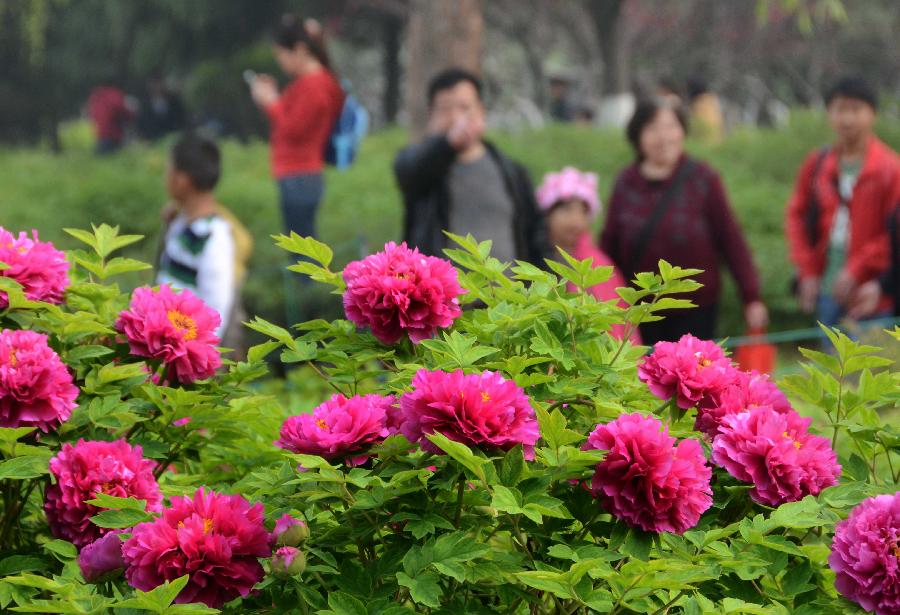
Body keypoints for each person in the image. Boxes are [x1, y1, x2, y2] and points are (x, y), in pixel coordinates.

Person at [600, 97, 767, 345]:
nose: (663, 136)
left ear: (682, 131)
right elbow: (608, 246)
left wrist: (751, 297)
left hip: (696, 310)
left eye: (671, 126)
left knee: (693, 379)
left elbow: (731, 239)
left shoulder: (703, 179)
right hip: (640, 312)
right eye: (653, 128)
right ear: (637, 135)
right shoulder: (625, 183)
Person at [394, 68, 549, 265]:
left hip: (508, 294)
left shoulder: (512, 172)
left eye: (464, 107)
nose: (456, 118)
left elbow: (536, 236)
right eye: (445, 109)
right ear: (431, 116)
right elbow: (409, 173)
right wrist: (447, 145)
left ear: (481, 111)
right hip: (444, 295)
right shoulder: (420, 166)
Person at [786, 76, 900, 328]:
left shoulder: (890, 169)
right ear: (829, 114)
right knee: (829, 362)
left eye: (855, 110)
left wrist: (858, 268)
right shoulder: (817, 164)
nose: (847, 119)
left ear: (872, 114)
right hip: (826, 288)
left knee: (871, 363)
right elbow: (796, 216)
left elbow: (891, 234)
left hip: (872, 292)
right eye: (840, 110)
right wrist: (807, 269)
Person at [250, 14, 345, 239]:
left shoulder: (316, 86)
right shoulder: (311, 83)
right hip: (299, 174)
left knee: (302, 249)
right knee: (302, 243)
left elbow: (294, 130)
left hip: (300, 174)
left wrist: (270, 102)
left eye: (282, 55)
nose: (281, 62)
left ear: (300, 50)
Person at [157, 134, 252, 350]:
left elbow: (216, 309)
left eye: (168, 170)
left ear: (181, 180)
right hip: (168, 345)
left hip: (187, 353)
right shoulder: (181, 223)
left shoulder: (214, 236)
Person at [536, 167, 639, 343]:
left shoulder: (598, 264)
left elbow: (619, 327)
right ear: (547, 214)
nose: (576, 220)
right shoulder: (533, 258)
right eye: (566, 210)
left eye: (583, 211)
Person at [87, 81, 134, 154]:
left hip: (99, 136)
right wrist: (132, 115)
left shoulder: (95, 96)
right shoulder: (113, 94)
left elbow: (92, 115)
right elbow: (121, 110)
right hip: (112, 136)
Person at [137, 76, 186, 140]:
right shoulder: (145, 105)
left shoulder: (173, 100)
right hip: (154, 140)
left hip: (174, 136)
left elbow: (181, 117)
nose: (156, 87)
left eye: (157, 83)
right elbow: (142, 124)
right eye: (153, 84)